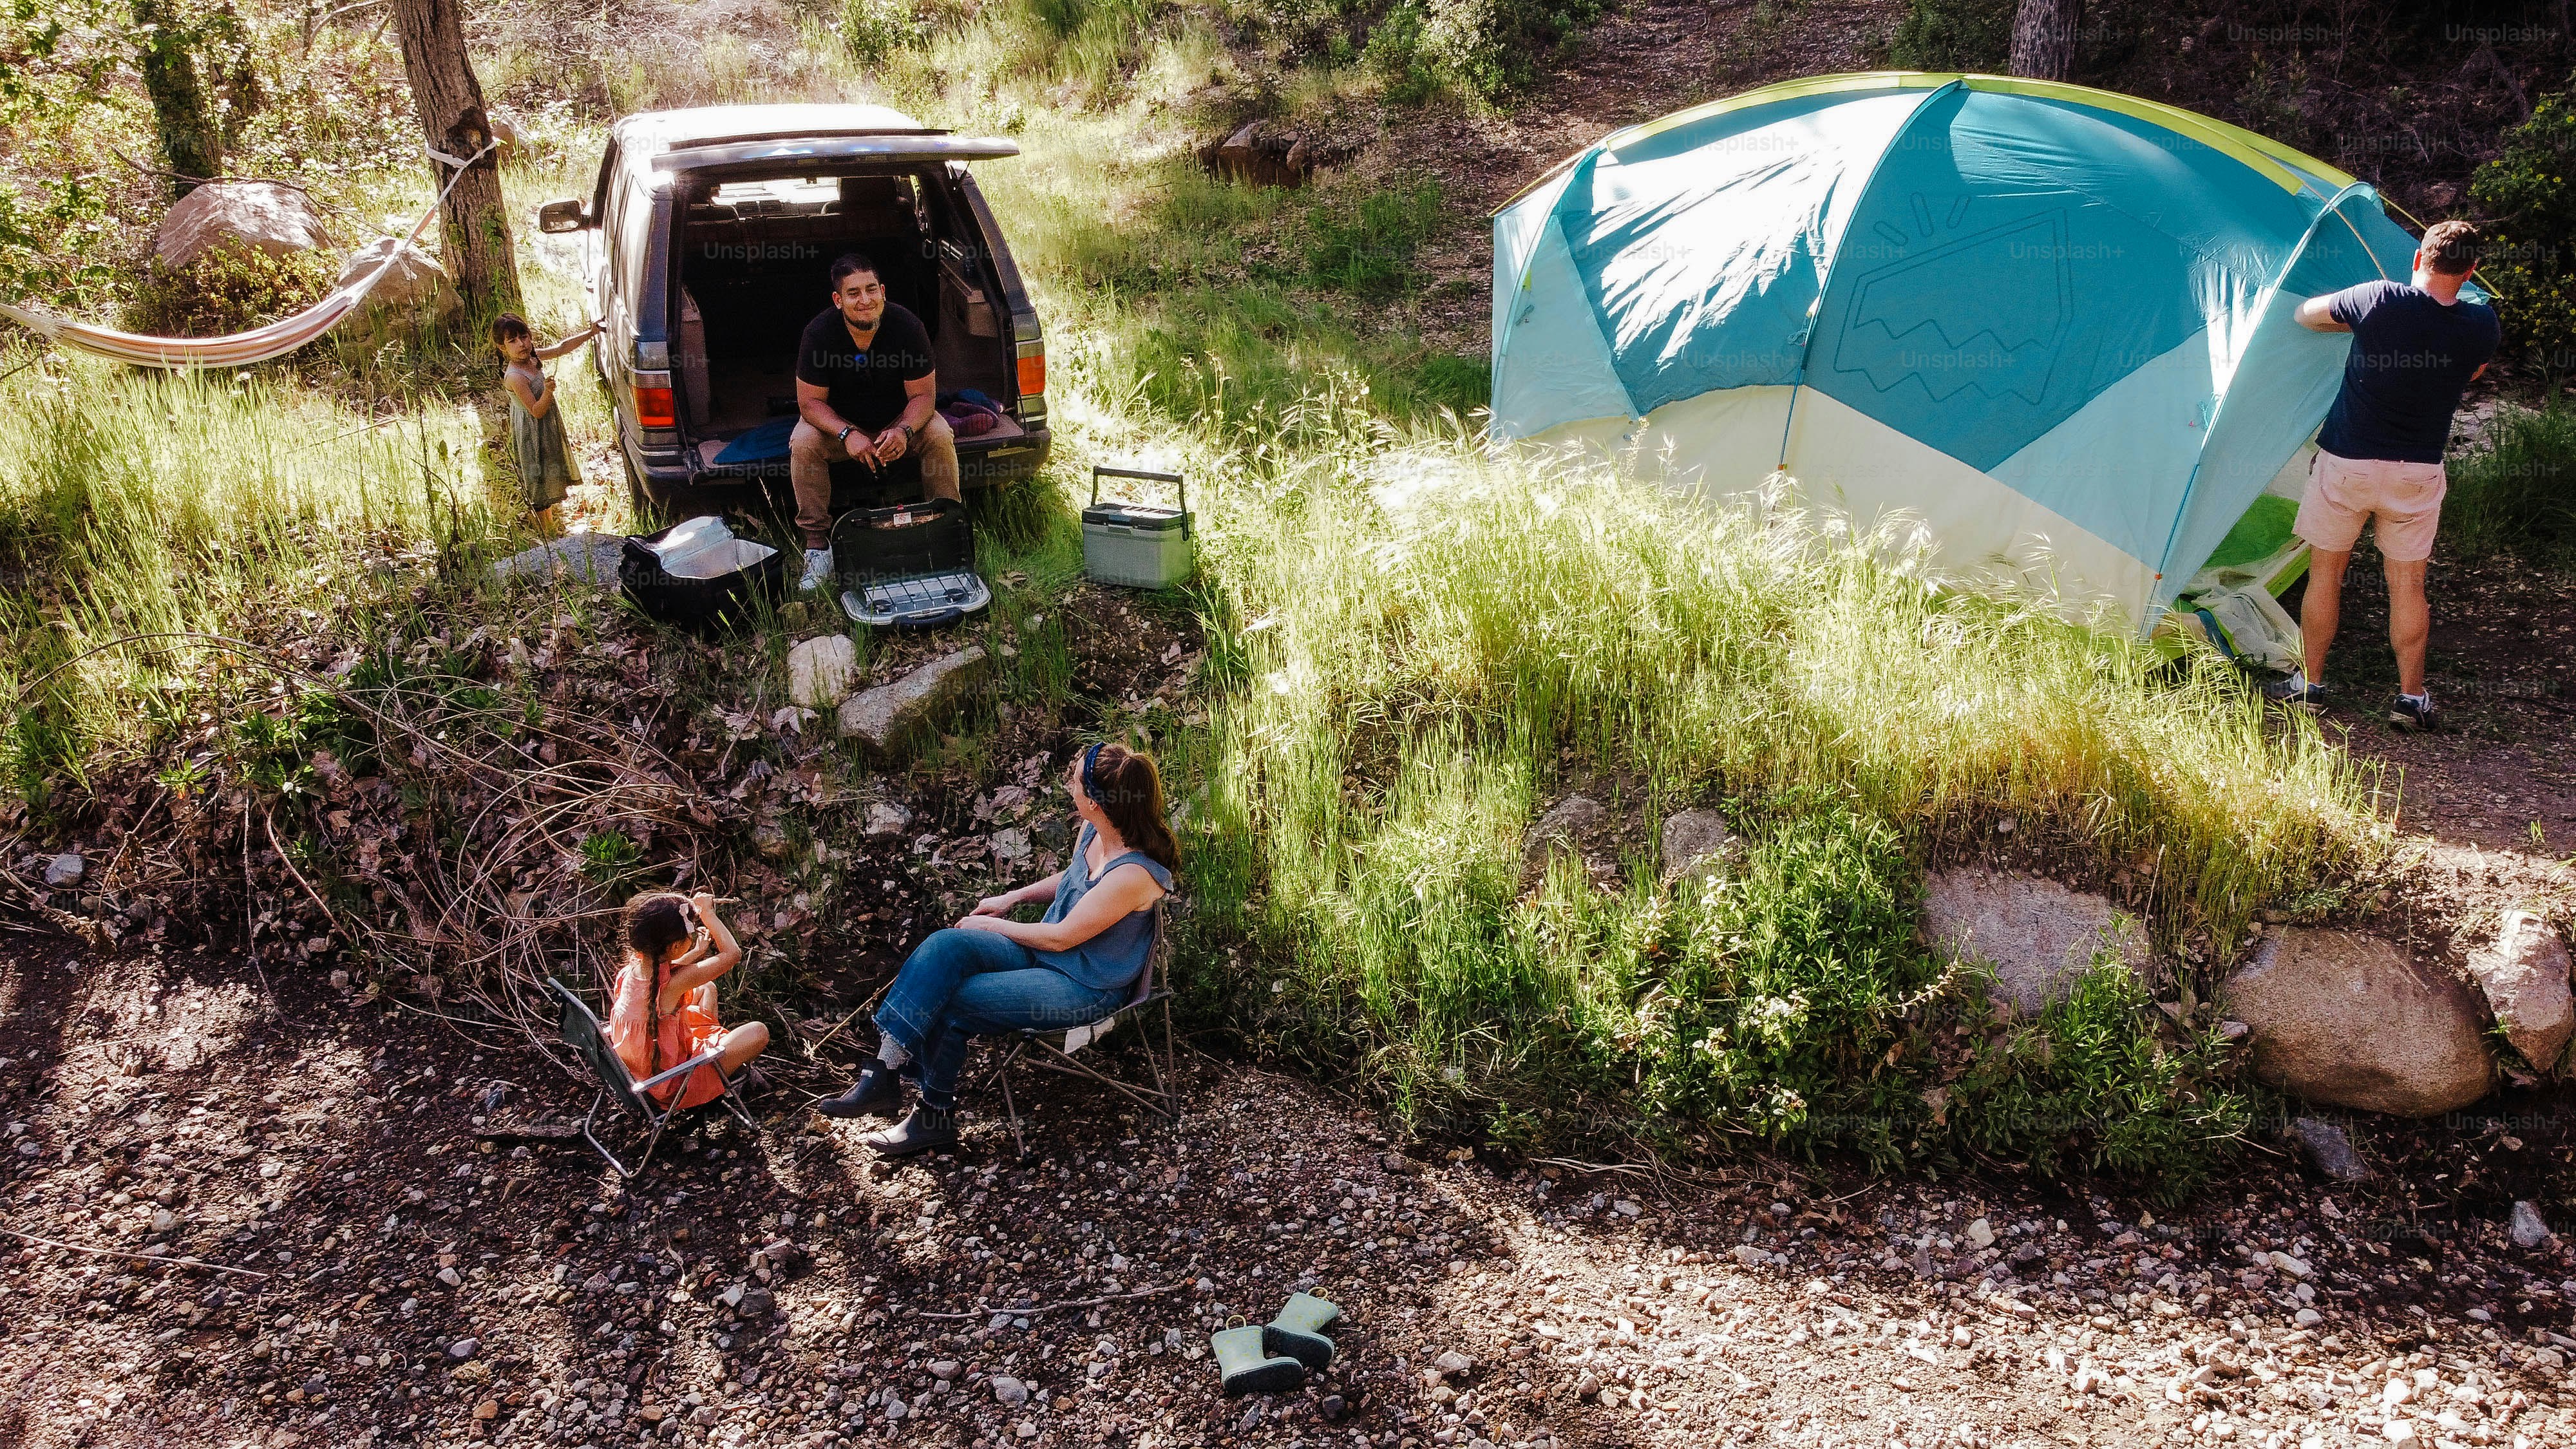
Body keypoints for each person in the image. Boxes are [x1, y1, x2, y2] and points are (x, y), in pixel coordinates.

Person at [815, 744, 1179, 1156]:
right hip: (1047, 954)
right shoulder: (1095, 830)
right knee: (946, 948)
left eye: (1074, 782)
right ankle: (882, 1072)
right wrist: (1012, 897)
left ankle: (931, 1118)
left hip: (1086, 985)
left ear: (1095, 802)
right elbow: (1075, 876)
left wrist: (993, 923)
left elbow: (1062, 937)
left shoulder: (1134, 874)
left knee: (954, 1000)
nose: (1068, 788)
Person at [2265, 219, 2499, 732]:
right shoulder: (2483, 324)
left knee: (2326, 575)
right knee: (2408, 584)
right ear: (2471, 270)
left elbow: (2304, 315)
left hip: (2347, 464)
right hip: (2417, 472)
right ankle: (2411, 699)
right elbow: (2473, 370)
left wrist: (2355, 322)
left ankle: (2310, 687)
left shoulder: (2378, 299)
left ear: (2419, 257)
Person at [788, 251, 962, 592]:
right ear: (838, 300)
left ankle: (947, 530)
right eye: (854, 293)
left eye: (871, 290)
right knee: (804, 442)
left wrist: (904, 430)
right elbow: (809, 404)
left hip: (898, 421)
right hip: (841, 425)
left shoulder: (908, 327)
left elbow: (924, 397)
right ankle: (817, 546)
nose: (865, 300)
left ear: (883, 291)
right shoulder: (819, 334)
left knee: (940, 433)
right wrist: (846, 433)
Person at [607, 891, 770, 1109]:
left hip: (643, 1073)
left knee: (706, 989)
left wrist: (695, 952)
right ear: (674, 947)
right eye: (689, 935)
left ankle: (719, 1059)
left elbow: (663, 972)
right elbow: (733, 954)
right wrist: (708, 915)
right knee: (759, 1032)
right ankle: (714, 1076)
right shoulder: (673, 986)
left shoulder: (631, 970)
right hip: (673, 1085)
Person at [493, 312, 602, 536]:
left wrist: (591, 333)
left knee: (549, 472)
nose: (522, 344)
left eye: (524, 337)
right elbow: (537, 411)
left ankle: (550, 527)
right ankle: (546, 532)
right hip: (532, 432)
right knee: (538, 479)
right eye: (512, 341)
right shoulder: (515, 376)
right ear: (502, 347)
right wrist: (548, 392)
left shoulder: (532, 358)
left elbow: (561, 348)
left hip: (545, 428)